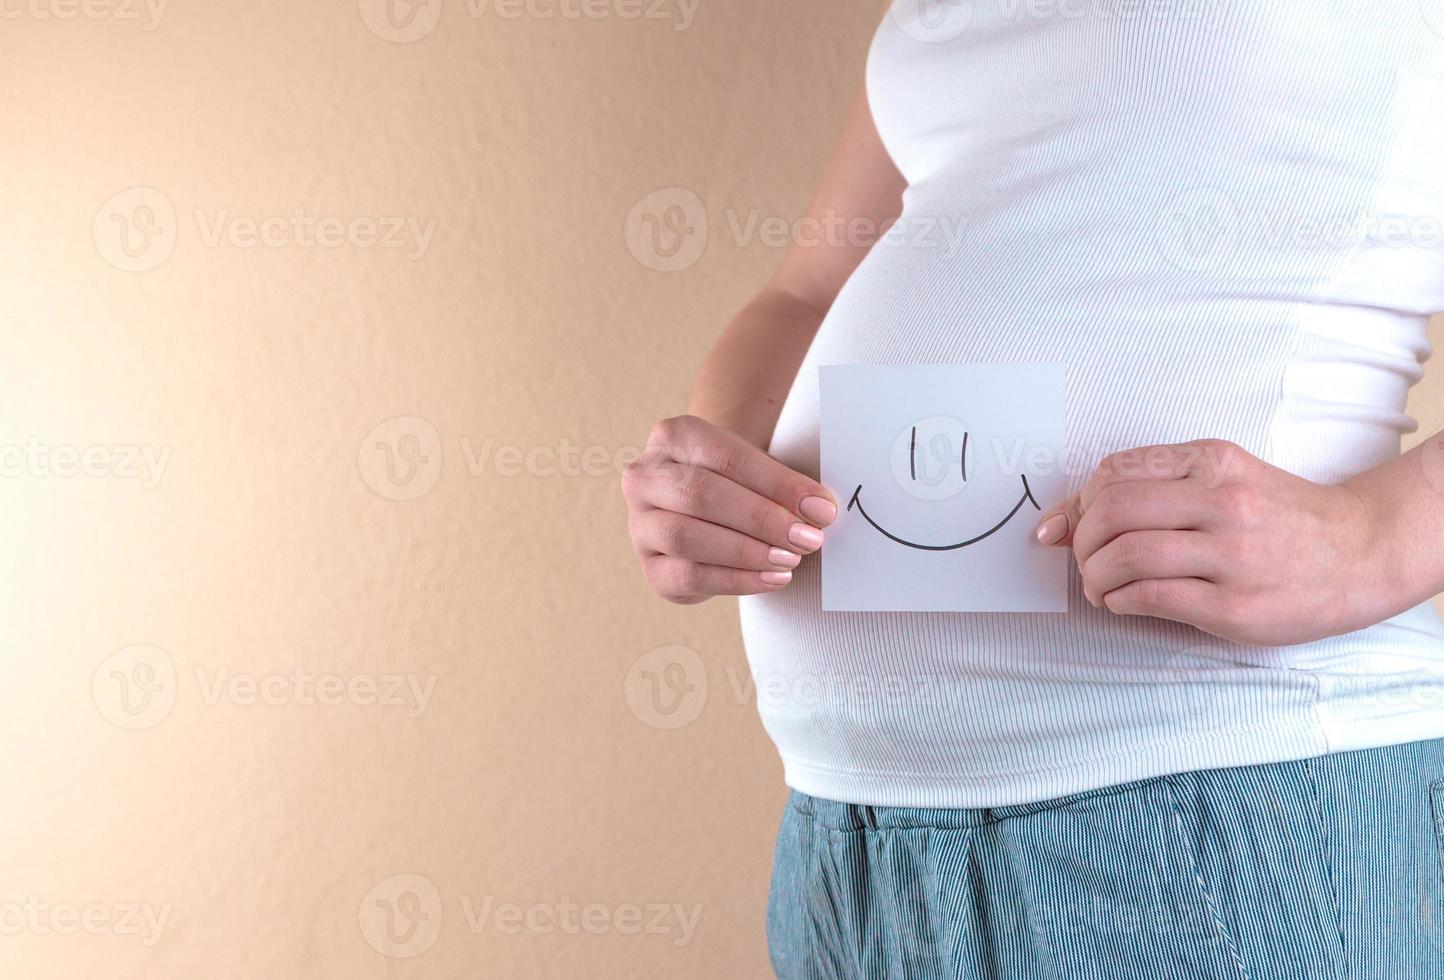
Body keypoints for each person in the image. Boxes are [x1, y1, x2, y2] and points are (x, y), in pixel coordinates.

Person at [621, 3, 1444, 976]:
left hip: (1223, 796)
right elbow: (804, 290)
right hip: (850, 845)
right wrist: (711, 465)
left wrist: (1369, 541)